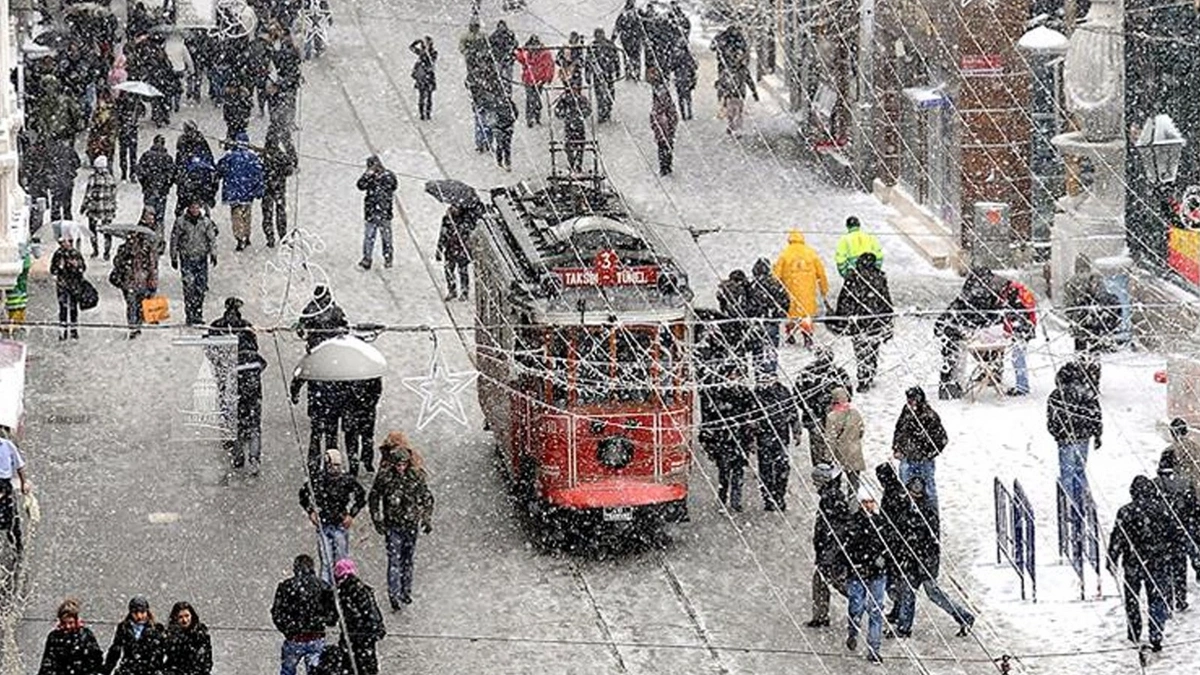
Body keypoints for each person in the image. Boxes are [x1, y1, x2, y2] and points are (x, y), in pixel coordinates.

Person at [892, 476, 975, 638]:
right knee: (908, 592)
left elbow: (930, 540)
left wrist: (925, 559)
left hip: (924, 560)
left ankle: (964, 616)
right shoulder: (905, 508)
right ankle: (904, 627)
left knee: (932, 592)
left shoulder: (927, 511)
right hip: (911, 559)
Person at [1108, 476, 1180, 652]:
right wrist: (1173, 556)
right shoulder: (1163, 510)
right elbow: (1174, 537)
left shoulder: (1125, 512)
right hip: (1158, 561)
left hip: (1133, 562)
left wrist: (1112, 558)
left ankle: (1134, 631)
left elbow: (1117, 537)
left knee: (1132, 598)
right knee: (1156, 599)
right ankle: (1156, 634)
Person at [368, 432, 435, 610]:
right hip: (393, 524)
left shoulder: (416, 477)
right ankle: (394, 594)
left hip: (410, 524)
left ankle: (405, 591)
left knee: (407, 559)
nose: (400, 467)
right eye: (398, 464)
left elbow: (427, 498)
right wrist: (377, 520)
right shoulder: (385, 477)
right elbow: (373, 497)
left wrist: (426, 519)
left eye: (403, 464)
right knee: (394, 559)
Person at [1047, 359, 1103, 565]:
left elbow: (1051, 420)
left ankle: (1070, 506)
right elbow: (1097, 416)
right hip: (1083, 438)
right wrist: (1096, 435)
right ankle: (1082, 501)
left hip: (1065, 440)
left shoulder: (1057, 395)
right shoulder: (1087, 394)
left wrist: (1058, 434)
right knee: (1080, 471)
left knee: (1067, 474)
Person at [934, 267, 1006, 400]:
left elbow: (950, 313)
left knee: (953, 361)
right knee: (959, 359)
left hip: (956, 333)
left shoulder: (967, 295)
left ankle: (950, 386)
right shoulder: (986, 295)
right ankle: (991, 372)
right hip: (962, 333)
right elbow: (994, 316)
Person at [299, 449, 367, 584]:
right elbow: (303, 495)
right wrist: (311, 511)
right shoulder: (317, 480)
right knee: (326, 562)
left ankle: (341, 588)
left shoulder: (347, 480)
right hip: (323, 524)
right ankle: (326, 591)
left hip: (340, 524)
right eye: (332, 465)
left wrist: (351, 514)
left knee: (341, 561)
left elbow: (361, 497)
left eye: (338, 465)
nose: (335, 469)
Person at [833, 252, 893, 390]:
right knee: (873, 349)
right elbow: (886, 300)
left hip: (858, 321)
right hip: (875, 322)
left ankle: (863, 377)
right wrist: (887, 319)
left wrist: (841, 318)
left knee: (860, 350)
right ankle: (870, 372)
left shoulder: (853, 278)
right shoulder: (879, 278)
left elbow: (844, 299)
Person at [272, 554, 337, 675]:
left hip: (294, 638)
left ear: (296, 568)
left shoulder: (286, 586)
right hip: (316, 637)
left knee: (287, 671)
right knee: (316, 671)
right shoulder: (323, 586)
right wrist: (320, 621)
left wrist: (288, 629)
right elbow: (332, 616)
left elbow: (277, 613)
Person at [843, 485, 887, 663]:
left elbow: (888, 546)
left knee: (876, 611)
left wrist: (883, 559)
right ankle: (853, 631)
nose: (869, 506)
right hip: (858, 572)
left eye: (871, 502)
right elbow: (848, 549)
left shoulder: (881, 524)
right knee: (856, 607)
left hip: (876, 573)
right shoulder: (853, 523)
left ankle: (874, 650)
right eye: (865, 502)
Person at [699, 365, 752, 511]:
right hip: (724, 440)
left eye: (737, 376)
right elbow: (710, 416)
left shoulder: (744, 393)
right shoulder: (717, 393)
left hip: (739, 439)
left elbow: (751, 412)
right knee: (724, 472)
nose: (735, 379)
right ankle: (723, 498)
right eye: (732, 375)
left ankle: (736, 500)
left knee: (738, 472)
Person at [1063, 256, 1121, 388]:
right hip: (1095, 323)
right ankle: (1093, 382)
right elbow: (1104, 299)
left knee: (1081, 353)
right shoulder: (1096, 279)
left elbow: (1067, 306)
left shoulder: (1071, 282)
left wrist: (1074, 318)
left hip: (1081, 325)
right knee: (1094, 353)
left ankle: (1082, 380)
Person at [1153, 450, 1199, 611]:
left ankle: (1167, 598)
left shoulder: (1154, 484)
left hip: (1161, 534)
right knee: (1180, 565)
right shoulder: (1186, 483)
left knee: (1164, 567)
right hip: (1181, 530)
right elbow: (1194, 509)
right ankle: (1180, 598)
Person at [891, 386, 946, 511]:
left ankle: (931, 515)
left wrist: (928, 453)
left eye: (912, 400)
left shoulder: (929, 416)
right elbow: (899, 429)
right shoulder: (906, 412)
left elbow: (941, 439)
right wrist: (896, 447)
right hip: (907, 458)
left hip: (924, 460)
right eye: (908, 400)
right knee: (905, 489)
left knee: (928, 489)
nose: (909, 403)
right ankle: (906, 515)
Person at [795, 346, 852, 467]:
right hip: (824, 418)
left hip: (820, 417)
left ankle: (823, 473)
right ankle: (828, 473)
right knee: (829, 447)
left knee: (820, 448)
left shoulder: (806, 373)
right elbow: (848, 395)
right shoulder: (838, 373)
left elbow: (798, 396)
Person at [807, 464, 849, 628]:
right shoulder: (830, 496)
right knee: (821, 581)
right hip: (829, 551)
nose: (814, 484)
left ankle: (869, 605)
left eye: (815, 481)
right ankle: (820, 616)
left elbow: (837, 529)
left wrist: (828, 554)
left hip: (831, 552)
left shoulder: (831, 499)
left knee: (838, 583)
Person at [772, 230, 829, 348]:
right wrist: (824, 290)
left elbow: (776, 276)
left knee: (791, 314)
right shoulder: (811, 253)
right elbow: (821, 274)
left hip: (790, 290)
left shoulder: (785, 254)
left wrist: (775, 291)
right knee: (806, 314)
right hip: (807, 292)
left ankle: (790, 334)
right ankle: (807, 335)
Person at [331, 559, 386, 675]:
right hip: (365, 641)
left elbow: (333, 618)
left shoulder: (342, 593)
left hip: (354, 640)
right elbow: (374, 615)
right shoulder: (364, 590)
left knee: (351, 667)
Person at [170, 201, 219, 326]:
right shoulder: (181, 222)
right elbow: (174, 239)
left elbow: (212, 238)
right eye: (193, 207)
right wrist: (174, 256)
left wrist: (213, 253)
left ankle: (198, 313)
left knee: (200, 287)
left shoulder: (206, 222)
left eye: (197, 207)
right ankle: (190, 314)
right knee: (189, 287)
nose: (195, 210)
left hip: (201, 258)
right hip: (186, 258)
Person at [754, 371, 797, 511]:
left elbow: (792, 411)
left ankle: (779, 496)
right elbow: (751, 416)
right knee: (765, 470)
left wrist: (796, 431)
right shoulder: (756, 394)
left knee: (782, 468)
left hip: (781, 436)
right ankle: (768, 498)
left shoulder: (783, 391)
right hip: (764, 438)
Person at [217, 131, 266, 251]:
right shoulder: (253, 158)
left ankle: (240, 238)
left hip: (233, 193)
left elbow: (219, 169)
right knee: (246, 215)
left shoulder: (229, 157)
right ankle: (247, 235)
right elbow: (259, 175)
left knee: (236, 216)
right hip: (248, 194)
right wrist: (258, 191)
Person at [110, 228, 159, 338]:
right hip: (128, 282)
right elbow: (117, 263)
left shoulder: (146, 250)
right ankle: (133, 327)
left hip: (143, 281)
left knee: (140, 305)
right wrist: (126, 255)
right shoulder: (123, 249)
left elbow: (152, 265)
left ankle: (138, 324)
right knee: (131, 305)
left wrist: (152, 278)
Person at [38, 598, 104, 675]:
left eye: (70, 623)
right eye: (64, 623)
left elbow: (95, 661)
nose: (67, 626)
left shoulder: (85, 635)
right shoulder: (54, 637)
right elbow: (47, 663)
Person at [103, 596, 167, 675]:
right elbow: (115, 651)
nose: (139, 616)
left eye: (142, 612)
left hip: (149, 669)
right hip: (128, 669)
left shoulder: (157, 628)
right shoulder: (124, 627)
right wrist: (106, 670)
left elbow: (160, 652)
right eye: (135, 613)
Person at [356, 155, 398, 270]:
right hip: (371, 212)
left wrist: (379, 180)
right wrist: (367, 176)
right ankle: (367, 259)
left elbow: (394, 186)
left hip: (384, 213)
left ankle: (388, 258)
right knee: (369, 237)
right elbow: (360, 186)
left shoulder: (388, 176)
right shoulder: (369, 177)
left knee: (386, 238)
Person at [999, 276, 1037, 396]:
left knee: (1018, 357)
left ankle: (1022, 387)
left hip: (1021, 329)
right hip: (1024, 328)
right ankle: (1022, 385)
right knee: (1018, 357)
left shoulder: (1013, 293)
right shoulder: (1018, 290)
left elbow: (1011, 313)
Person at [261, 127, 298, 247]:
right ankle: (282, 235)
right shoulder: (281, 156)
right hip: (279, 188)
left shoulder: (262, 155)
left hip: (266, 188)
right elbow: (289, 169)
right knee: (280, 212)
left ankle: (270, 237)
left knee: (267, 213)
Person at [745, 257, 791, 350]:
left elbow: (747, 303)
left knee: (758, 353)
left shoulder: (753, 286)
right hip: (772, 322)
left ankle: (759, 364)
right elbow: (786, 300)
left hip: (757, 322)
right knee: (772, 350)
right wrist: (778, 315)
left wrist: (752, 315)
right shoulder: (775, 283)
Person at [825, 386, 864, 495]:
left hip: (839, 455)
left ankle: (837, 505)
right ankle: (853, 506)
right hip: (854, 453)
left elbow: (830, 439)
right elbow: (861, 431)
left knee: (834, 485)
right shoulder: (855, 413)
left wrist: (828, 456)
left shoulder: (832, 417)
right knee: (854, 485)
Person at [342, 377, 382, 477]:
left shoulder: (347, 372)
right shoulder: (370, 372)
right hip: (359, 411)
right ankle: (360, 464)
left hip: (356, 412)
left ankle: (362, 463)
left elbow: (376, 391)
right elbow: (377, 391)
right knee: (360, 440)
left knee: (360, 440)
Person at [50, 234, 87, 340]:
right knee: (63, 308)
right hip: (62, 285)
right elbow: (53, 270)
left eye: (66, 242)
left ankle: (74, 330)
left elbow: (83, 268)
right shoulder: (58, 254)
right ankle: (63, 331)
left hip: (74, 285)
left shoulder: (75, 253)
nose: (64, 244)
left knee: (73, 308)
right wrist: (59, 267)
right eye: (62, 242)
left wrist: (77, 266)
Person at [136, 135, 175, 235]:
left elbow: (140, 171)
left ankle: (145, 235)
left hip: (149, 189)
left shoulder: (147, 155)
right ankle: (158, 237)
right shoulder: (168, 158)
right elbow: (172, 175)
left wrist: (145, 184)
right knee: (160, 216)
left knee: (148, 214)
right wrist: (166, 186)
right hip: (161, 191)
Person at [81, 155, 117, 259]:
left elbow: (88, 194)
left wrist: (84, 206)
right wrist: (113, 206)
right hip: (107, 209)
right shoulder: (111, 178)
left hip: (95, 208)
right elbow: (114, 194)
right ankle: (107, 252)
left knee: (92, 230)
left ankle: (95, 250)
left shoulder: (93, 178)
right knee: (107, 231)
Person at [163, 601, 212, 675]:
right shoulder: (171, 637)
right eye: (180, 617)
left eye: (187, 616)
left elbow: (206, 661)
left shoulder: (201, 635)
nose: (184, 620)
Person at [514, 35, 554, 126]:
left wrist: (546, 78)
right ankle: (532, 117)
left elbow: (549, 66)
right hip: (530, 79)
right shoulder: (530, 53)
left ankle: (534, 116)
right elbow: (520, 57)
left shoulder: (543, 54)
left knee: (534, 98)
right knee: (531, 99)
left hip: (537, 80)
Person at [297, 286, 349, 353]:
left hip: (333, 344)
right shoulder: (310, 310)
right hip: (317, 345)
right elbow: (301, 326)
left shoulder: (336, 310)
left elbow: (346, 327)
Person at [436, 206, 472, 301]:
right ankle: (452, 290)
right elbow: (442, 234)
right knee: (448, 270)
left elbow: (468, 233)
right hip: (450, 248)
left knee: (463, 271)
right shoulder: (447, 219)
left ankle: (464, 291)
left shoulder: (466, 219)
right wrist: (439, 248)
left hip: (461, 248)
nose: (455, 209)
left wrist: (461, 230)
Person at [648, 66, 678, 176]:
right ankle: (666, 167)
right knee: (666, 147)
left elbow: (657, 114)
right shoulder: (664, 100)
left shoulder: (660, 101)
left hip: (664, 129)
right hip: (665, 129)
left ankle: (665, 167)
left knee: (663, 147)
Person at [554, 85, 591, 173]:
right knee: (569, 145)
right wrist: (566, 116)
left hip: (579, 125)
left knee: (580, 145)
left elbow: (588, 110)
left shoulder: (581, 99)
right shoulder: (565, 100)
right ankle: (572, 163)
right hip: (570, 126)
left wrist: (580, 115)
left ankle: (578, 164)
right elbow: (557, 111)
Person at [588, 28, 620, 124]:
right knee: (599, 96)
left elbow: (616, 58)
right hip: (597, 75)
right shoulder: (592, 46)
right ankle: (602, 114)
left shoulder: (610, 45)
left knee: (610, 95)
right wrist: (588, 75)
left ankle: (607, 111)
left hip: (608, 73)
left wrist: (618, 71)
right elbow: (588, 61)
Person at [612, 0, 644, 80]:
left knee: (631, 56)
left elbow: (617, 26)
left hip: (631, 39)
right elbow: (618, 26)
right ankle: (632, 72)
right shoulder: (629, 13)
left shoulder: (633, 13)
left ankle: (633, 72)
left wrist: (613, 37)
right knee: (631, 56)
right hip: (630, 39)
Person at [410, 37, 438, 121]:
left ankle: (428, 113)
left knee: (429, 96)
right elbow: (411, 48)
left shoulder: (433, 53)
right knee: (421, 95)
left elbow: (432, 60)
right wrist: (416, 42)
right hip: (422, 76)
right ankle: (422, 113)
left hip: (428, 76)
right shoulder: (422, 52)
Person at [489, 21, 517, 97]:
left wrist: (509, 51)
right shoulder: (494, 36)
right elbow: (491, 47)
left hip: (508, 60)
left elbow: (515, 44)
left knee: (508, 78)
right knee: (499, 77)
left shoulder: (509, 34)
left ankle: (508, 92)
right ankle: (500, 92)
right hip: (499, 59)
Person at [715, 68, 746, 136]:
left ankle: (732, 127)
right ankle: (736, 129)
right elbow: (749, 81)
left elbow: (720, 85)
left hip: (732, 96)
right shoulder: (742, 70)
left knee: (732, 114)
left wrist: (721, 96)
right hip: (738, 96)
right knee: (737, 113)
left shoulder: (725, 72)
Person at [492, 96, 517, 171]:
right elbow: (515, 113)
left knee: (501, 145)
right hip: (505, 127)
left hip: (501, 127)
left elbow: (492, 115)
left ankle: (501, 160)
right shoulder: (509, 103)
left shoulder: (496, 103)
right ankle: (505, 161)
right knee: (506, 146)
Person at [673, 39, 697, 121]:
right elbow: (694, 66)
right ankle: (689, 113)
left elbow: (672, 66)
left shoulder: (677, 55)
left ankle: (683, 114)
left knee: (680, 97)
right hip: (687, 78)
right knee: (688, 97)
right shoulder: (689, 56)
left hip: (679, 78)